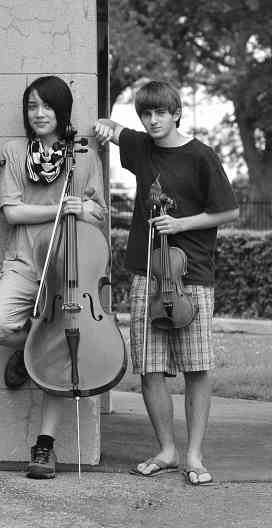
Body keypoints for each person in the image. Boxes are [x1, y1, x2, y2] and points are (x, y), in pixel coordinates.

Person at [94, 80, 239, 486]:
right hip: (146, 272)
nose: (153, 120)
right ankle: (167, 450)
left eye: (160, 112)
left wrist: (181, 223)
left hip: (189, 275)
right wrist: (104, 125)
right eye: (146, 113)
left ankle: (194, 453)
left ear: (176, 112)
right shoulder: (141, 148)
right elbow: (108, 126)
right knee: (150, 368)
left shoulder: (201, 156)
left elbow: (227, 211)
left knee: (196, 367)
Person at [0, 76, 107, 479]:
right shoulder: (16, 152)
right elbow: (13, 212)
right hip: (24, 263)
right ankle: (30, 348)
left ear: (61, 111)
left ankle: (44, 446)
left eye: (46, 107)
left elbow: (99, 212)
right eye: (32, 106)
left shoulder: (83, 154)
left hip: (70, 271)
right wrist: (61, 209)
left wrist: (83, 209)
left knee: (63, 351)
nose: (38, 114)